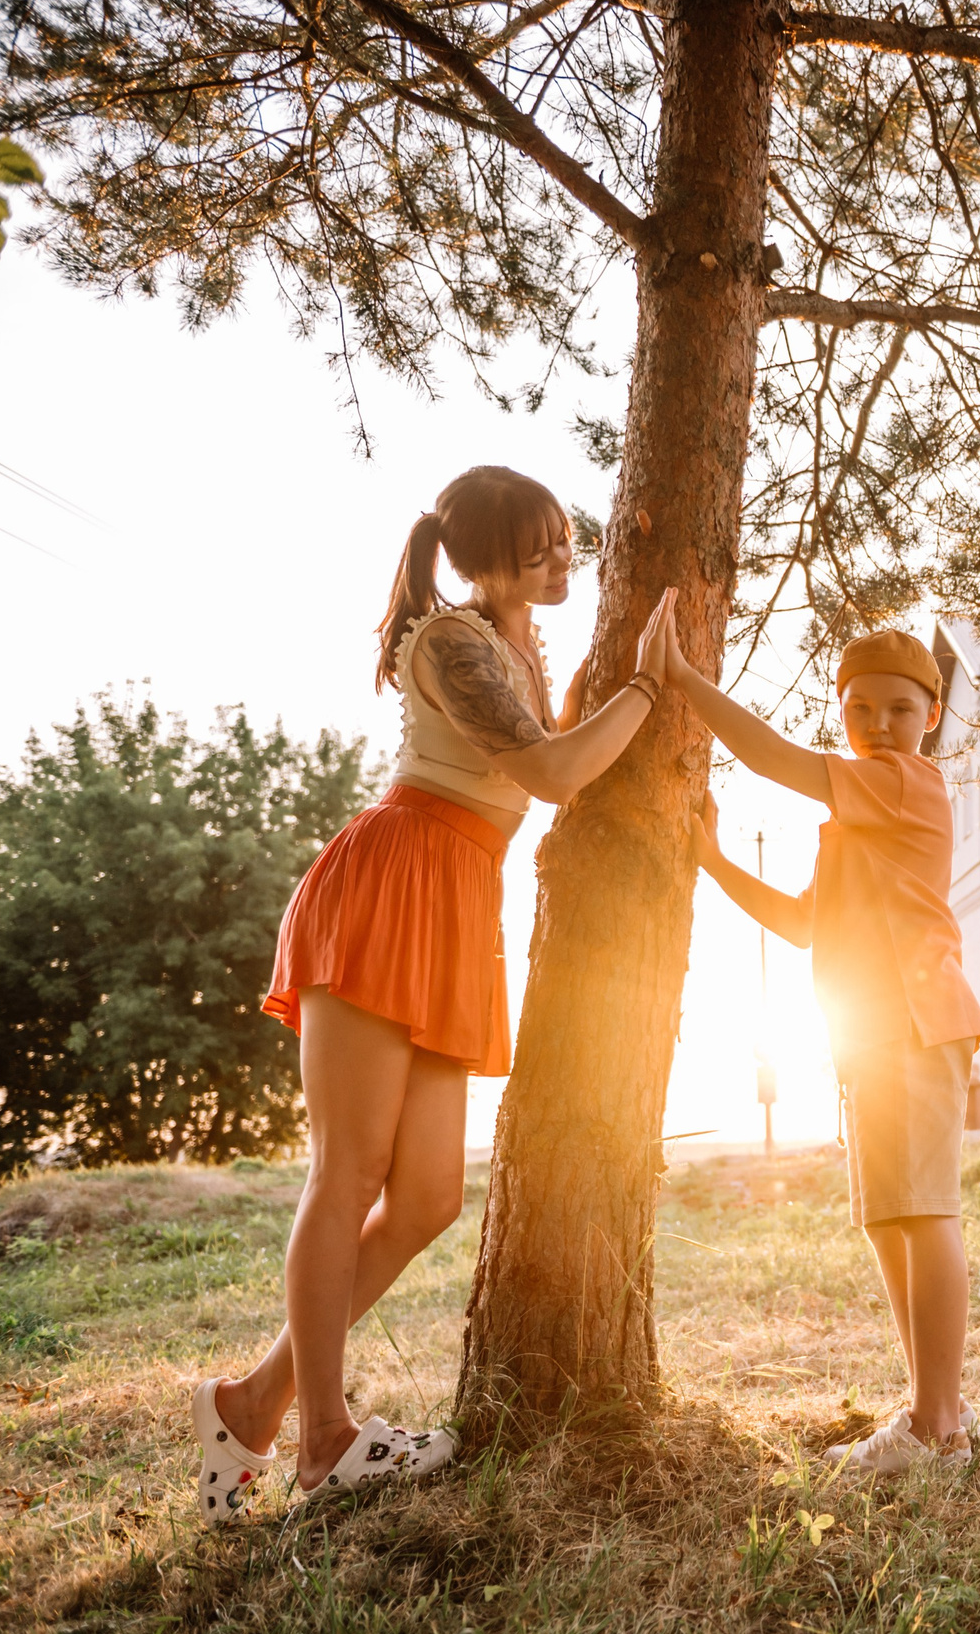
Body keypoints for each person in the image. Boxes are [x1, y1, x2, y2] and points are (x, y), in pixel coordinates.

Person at [193, 466, 678, 1519]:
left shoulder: (515, 642)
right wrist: (644, 688)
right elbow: (552, 772)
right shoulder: (453, 638)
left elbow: (546, 745)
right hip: (394, 880)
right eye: (542, 545)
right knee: (351, 1169)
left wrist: (612, 669)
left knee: (426, 1196)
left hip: (458, 900)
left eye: (566, 541)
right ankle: (324, 1437)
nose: (564, 560)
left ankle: (252, 1400)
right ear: (486, 555)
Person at [681, 629, 980, 1474]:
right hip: (872, 1031)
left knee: (923, 1212)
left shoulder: (903, 782)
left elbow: (776, 758)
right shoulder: (854, 818)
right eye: (859, 709)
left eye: (899, 709)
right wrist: (709, 859)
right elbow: (801, 921)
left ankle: (938, 1429)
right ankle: (939, 1407)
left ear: (931, 716)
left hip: (917, 1018)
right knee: (889, 1218)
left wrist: (684, 680)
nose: (879, 724)